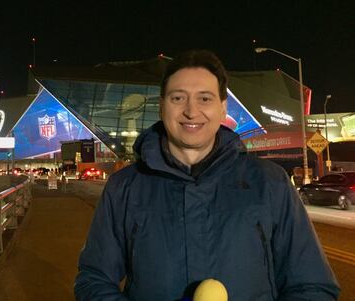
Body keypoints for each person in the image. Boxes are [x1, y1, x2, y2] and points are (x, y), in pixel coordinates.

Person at [74, 50, 339, 300]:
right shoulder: (125, 187)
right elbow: (94, 279)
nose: (191, 110)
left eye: (205, 98)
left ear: (223, 108)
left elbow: (312, 285)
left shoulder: (270, 183)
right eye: (178, 98)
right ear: (162, 107)